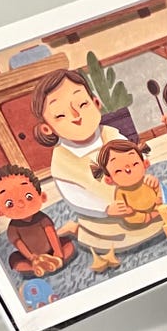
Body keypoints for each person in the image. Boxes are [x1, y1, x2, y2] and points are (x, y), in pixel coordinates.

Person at [31, 68, 153, 273]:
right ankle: (76, 228)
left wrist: (144, 175)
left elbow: (135, 157)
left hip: (136, 197)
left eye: (83, 104)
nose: (76, 116)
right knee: (115, 238)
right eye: (60, 115)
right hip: (106, 216)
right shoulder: (61, 161)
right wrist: (105, 209)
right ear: (47, 128)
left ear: (96, 103)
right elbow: (76, 197)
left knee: (157, 211)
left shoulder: (111, 134)